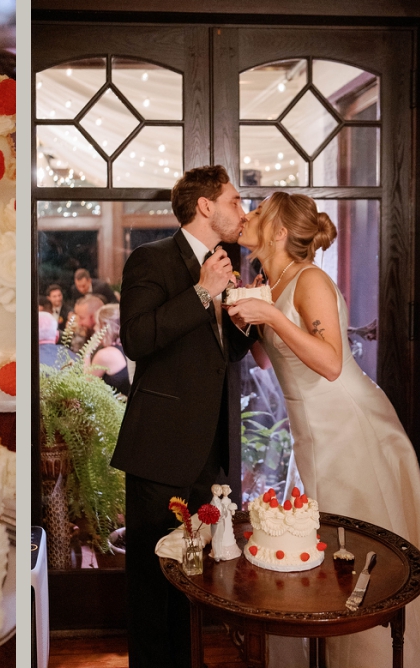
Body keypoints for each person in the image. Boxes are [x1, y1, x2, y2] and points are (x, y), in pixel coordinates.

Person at [228, 192, 420, 667]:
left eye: (257, 212)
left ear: (279, 232)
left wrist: (272, 316)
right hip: (311, 430)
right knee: (324, 551)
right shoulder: (268, 280)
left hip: (348, 425)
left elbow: (331, 362)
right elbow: (272, 359)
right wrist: (245, 314)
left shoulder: (310, 279)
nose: (246, 216)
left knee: (363, 550)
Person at [109, 164, 256, 667]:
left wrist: (243, 320)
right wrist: (201, 292)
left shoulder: (227, 264)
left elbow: (222, 357)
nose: (243, 211)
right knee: (153, 584)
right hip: (161, 448)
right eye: (235, 201)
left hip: (210, 448)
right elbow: (138, 339)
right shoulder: (150, 259)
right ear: (206, 206)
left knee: (195, 578)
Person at [86, 303, 129, 396]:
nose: (94, 328)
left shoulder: (106, 355)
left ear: (105, 327)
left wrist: (87, 351)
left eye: (97, 324)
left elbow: (86, 385)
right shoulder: (131, 346)